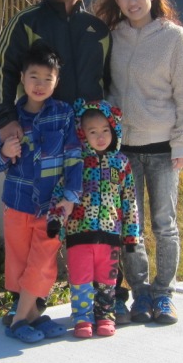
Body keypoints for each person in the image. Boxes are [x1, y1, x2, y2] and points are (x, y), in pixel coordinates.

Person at [0, 0, 110, 326]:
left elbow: (110, 83)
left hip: (87, 145)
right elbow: (0, 73)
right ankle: (23, 307)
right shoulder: (27, 23)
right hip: (40, 142)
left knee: (89, 223)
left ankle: (96, 305)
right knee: (30, 229)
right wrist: (8, 123)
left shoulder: (99, 30)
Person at [95, 0, 183, 325]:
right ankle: (140, 294)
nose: (130, 1)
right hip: (124, 148)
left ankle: (165, 294)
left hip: (162, 149)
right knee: (131, 227)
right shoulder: (114, 36)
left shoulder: (174, 38)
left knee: (164, 224)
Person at [0, 45, 82, 343]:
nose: (40, 84)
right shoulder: (12, 119)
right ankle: (31, 316)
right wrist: (5, 150)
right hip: (16, 202)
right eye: (34, 76)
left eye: (48, 78)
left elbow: (73, 155)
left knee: (44, 260)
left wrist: (70, 196)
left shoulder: (64, 114)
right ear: (22, 78)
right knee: (18, 260)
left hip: (52, 205)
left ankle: (17, 321)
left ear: (56, 81)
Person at [48, 99, 140, 338]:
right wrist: (56, 224)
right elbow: (60, 192)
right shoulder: (76, 162)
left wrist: (131, 235)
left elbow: (130, 200)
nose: (100, 137)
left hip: (110, 235)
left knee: (107, 281)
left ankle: (105, 316)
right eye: (93, 132)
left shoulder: (121, 164)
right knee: (80, 279)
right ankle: (82, 317)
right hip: (79, 233)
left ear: (114, 130)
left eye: (105, 130)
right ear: (82, 133)